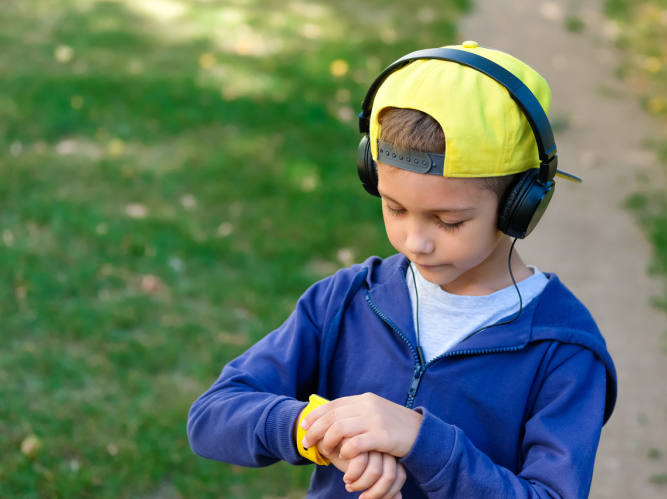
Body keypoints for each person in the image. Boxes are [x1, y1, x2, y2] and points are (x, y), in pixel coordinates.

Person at [187, 41, 617, 498]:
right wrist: (320, 430)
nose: (416, 242)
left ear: (521, 205)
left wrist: (422, 442)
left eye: (448, 221)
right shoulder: (345, 300)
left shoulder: (563, 349)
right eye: (394, 208)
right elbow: (213, 416)